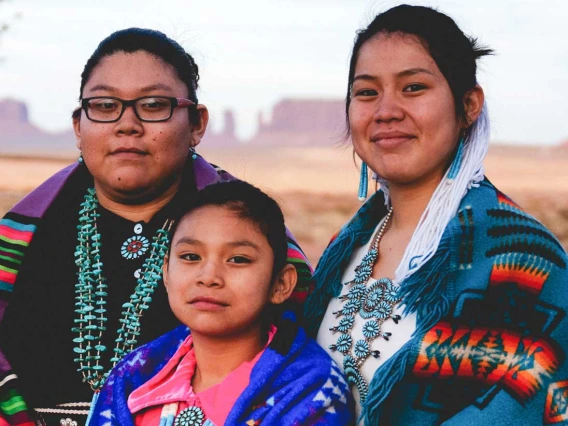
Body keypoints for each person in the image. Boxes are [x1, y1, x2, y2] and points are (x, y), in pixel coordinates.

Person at [0, 28, 313, 426]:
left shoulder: (253, 237)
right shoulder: (22, 235)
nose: (127, 124)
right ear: (79, 126)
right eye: (104, 104)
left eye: (152, 105)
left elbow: (290, 369)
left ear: (197, 124)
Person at [304, 5, 568, 425]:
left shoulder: (524, 259)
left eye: (413, 88)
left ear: (469, 105)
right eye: (367, 92)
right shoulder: (345, 247)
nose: (385, 111)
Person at [88, 180, 354, 426]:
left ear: (281, 283)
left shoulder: (309, 391)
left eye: (238, 259)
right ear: (166, 272)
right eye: (191, 256)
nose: (209, 277)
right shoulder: (134, 378)